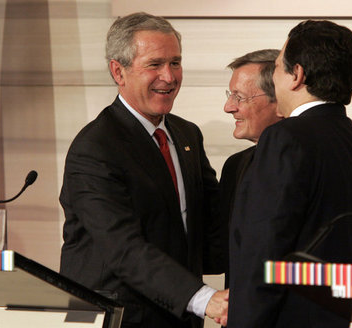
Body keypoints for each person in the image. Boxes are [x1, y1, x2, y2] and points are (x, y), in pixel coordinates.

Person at [227, 20, 352, 328]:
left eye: (276, 67)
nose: (274, 76)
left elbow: (265, 252)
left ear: (296, 75)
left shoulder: (285, 138)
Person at [59, 13, 227, 328]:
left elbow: (212, 229)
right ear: (118, 71)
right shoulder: (95, 148)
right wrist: (205, 298)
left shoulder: (186, 134)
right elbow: (123, 249)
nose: (169, 76)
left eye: (175, 62)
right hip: (117, 317)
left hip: (179, 316)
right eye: (155, 64)